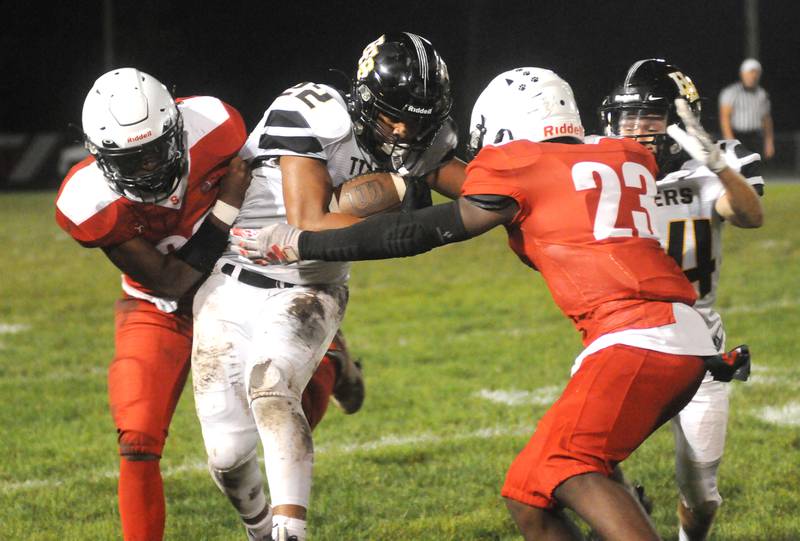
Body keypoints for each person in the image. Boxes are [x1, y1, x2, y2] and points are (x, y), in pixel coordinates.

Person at [233, 67, 742, 540]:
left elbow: (419, 231)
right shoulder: (620, 155)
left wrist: (305, 242)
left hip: (636, 339)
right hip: (678, 335)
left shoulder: (522, 163)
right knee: (527, 494)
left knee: (569, 467)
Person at [54, 68, 351, 541]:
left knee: (282, 412)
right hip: (158, 307)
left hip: (240, 287)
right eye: (130, 160)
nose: (149, 169)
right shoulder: (87, 200)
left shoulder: (214, 126)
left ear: (176, 129)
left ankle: (330, 355)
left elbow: (270, 196)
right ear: (100, 157)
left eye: (154, 152)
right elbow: (169, 281)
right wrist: (225, 207)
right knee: (138, 438)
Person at [191, 32, 465, 541]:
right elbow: (309, 224)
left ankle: (289, 533)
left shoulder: (421, 131)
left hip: (311, 286)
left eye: (417, 119)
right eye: (392, 117)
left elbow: (480, 191)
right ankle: (259, 528)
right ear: (364, 99)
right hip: (233, 280)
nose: (405, 129)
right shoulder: (314, 111)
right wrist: (414, 201)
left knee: (271, 389)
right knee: (227, 457)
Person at [600, 58, 763, 541]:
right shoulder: (603, 166)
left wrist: (713, 162)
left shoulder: (717, 164)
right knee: (584, 459)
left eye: (648, 118)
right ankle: (627, 510)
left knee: (703, 497)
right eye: (626, 118)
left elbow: (749, 215)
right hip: (624, 339)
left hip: (699, 350)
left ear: (679, 120)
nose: (633, 131)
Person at [719, 58, 774, 160]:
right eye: (750, 72)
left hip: (755, 137)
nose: (753, 76)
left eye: (756, 73)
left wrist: (769, 142)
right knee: (738, 168)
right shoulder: (731, 92)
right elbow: (725, 118)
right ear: (742, 74)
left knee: (755, 169)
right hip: (737, 136)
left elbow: (766, 119)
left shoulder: (762, 94)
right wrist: (731, 141)